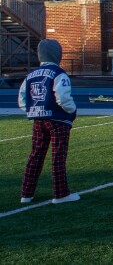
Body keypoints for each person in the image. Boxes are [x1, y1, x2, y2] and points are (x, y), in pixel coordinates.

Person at [18, 39, 79, 204]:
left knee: (35, 154)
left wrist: (32, 110)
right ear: (57, 54)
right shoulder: (59, 73)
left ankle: (26, 193)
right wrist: (72, 111)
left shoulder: (31, 75)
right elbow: (63, 97)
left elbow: (23, 99)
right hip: (58, 120)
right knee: (58, 155)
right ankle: (60, 193)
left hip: (38, 119)